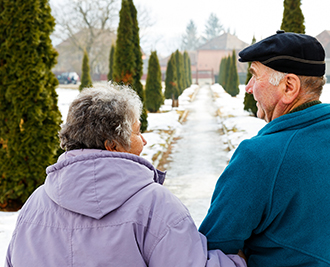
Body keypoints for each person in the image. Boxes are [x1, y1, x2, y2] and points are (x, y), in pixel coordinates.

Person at [199, 30, 330, 267]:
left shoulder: (259, 157)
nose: (249, 88)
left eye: (254, 76)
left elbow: (213, 249)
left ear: (289, 86)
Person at [5, 84, 246, 267]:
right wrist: (238, 260)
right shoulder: (156, 206)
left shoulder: (34, 205)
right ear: (113, 145)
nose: (144, 140)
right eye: (137, 131)